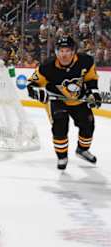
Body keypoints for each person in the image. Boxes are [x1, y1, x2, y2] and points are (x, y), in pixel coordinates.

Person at [27, 35, 101, 170]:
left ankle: (82, 150)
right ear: (56, 52)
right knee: (60, 125)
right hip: (57, 100)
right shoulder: (47, 66)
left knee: (88, 123)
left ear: (73, 51)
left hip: (78, 99)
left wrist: (93, 92)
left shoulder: (86, 61)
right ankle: (62, 156)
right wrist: (38, 92)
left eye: (67, 51)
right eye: (61, 51)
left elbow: (91, 79)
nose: (64, 54)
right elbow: (31, 84)